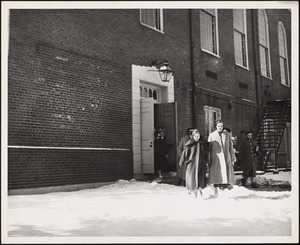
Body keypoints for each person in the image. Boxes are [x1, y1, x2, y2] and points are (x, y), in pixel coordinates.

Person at [207, 120, 236, 196]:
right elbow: (208, 148)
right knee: (216, 176)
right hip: (216, 159)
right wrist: (208, 159)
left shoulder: (226, 134)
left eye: (221, 126)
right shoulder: (211, 135)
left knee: (225, 176)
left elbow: (230, 147)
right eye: (218, 126)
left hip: (226, 157)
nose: (220, 127)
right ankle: (215, 193)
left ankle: (224, 193)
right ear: (216, 126)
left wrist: (232, 158)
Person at [179, 129, 207, 198]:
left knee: (200, 179)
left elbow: (205, 154)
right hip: (192, 165)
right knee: (192, 179)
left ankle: (199, 192)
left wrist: (206, 161)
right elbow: (184, 154)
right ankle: (193, 193)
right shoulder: (189, 144)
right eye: (196, 136)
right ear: (193, 136)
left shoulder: (202, 144)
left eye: (198, 136)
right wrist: (181, 162)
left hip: (201, 164)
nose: (197, 138)